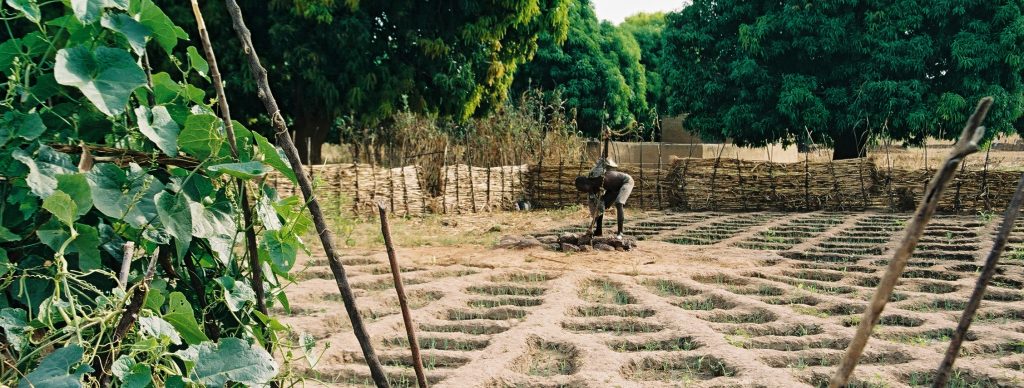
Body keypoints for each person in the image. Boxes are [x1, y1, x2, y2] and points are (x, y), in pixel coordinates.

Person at [574, 157, 634, 238]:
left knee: (619, 203)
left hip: (625, 182)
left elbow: (602, 160)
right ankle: (598, 231)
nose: (584, 192)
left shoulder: (594, 174)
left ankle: (620, 232)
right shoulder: (592, 193)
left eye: (582, 189)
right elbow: (597, 212)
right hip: (613, 190)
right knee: (601, 206)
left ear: (586, 183)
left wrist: (604, 153)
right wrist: (590, 227)